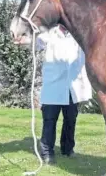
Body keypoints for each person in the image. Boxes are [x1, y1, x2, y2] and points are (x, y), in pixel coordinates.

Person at [36, 25, 92, 164]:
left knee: (70, 119)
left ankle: (67, 149)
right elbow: (35, 44)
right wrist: (25, 38)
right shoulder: (49, 32)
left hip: (72, 85)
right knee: (49, 120)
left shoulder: (79, 33)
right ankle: (47, 152)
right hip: (54, 84)